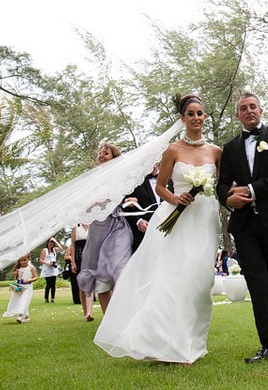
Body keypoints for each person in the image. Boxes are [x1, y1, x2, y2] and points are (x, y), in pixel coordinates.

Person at [94, 94, 221, 364]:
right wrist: (176, 199)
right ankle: (164, 342)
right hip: (178, 218)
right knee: (175, 278)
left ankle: (194, 343)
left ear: (205, 116)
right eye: (191, 114)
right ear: (182, 118)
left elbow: (220, 185)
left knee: (200, 282)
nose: (196, 118)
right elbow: (161, 186)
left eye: (200, 113)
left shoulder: (216, 151)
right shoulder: (173, 150)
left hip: (206, 220)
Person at [216, 92, 268, 363]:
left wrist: (250, 189)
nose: (248, 111)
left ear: (260, 110)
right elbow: (222, 183)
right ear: (237, 115)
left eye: (253, 107)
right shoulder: (230, 147)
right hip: (244, 225)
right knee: (258, 283)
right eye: (243, 108)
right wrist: (228, 198)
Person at [78, 143, 132, 314]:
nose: (101, 155)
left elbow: (126, 196)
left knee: (119, 266)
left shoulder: (123, 177)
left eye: (106, 153)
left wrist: (127, 202)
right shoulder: (93, 180)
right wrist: (96, 203)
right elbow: (85, 204)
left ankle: (122, 313)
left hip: (117, 224)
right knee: (97, 269)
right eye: (100, 153)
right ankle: (107, 317)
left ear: (114, 157)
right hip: (98, 225)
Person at [123, 162, 172, 253]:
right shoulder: (134, 181)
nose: (153, 164)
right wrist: (138, 221)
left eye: (156, 161)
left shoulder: (170, 180)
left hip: (167, 230)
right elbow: (125, 206)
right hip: (143, 232)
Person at [69, 222, 95, 320]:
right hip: (79, 256)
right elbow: (72, 245)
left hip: (91, 256)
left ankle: (89, 313)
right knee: (81, 284)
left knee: (89, 283)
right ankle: (85, 312)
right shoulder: (76, 227)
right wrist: (72, 262)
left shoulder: (93, 224)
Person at [3, 254, 38, 323]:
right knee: (17, 300)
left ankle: (20, 315)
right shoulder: (18, 268)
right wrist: (15, 274)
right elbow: (14, 276)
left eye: (24, 260)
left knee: (24, 300)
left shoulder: (31, 267)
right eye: (21, 260)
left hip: (27, 287)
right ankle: (26, 316)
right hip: (19, 287)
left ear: (28, 259)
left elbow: (35, 277)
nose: (22, 262)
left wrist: (29, 280)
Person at [39, 237, 63, 303]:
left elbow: (61, 248)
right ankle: (46, 298)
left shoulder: (54, 250)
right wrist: (48, 263)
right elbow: (41, 259)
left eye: (52, 243)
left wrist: (55, 241)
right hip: (47, 269)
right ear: (47, 243)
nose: (51, 244)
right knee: (48, 284)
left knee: (53, 285)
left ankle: (52, 298)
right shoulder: (45, 250)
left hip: (53, 269)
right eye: (50, 242)